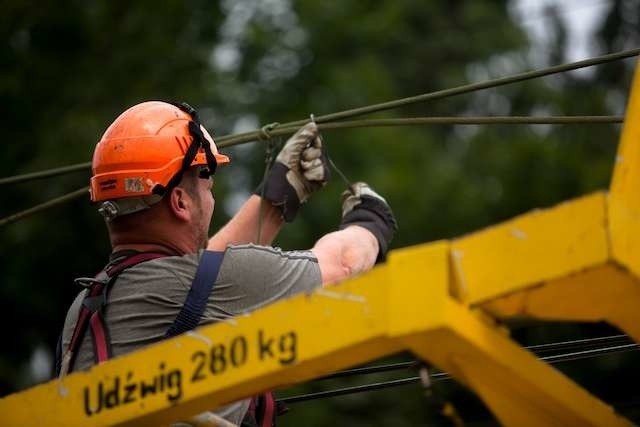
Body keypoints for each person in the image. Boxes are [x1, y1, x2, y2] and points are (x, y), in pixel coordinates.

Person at [57, 101, 397, 425]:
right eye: (206, 180)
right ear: (179, 201)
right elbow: (344, 265)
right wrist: (370, 221)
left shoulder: (85, 308)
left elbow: (204, 281)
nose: (212, 193)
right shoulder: (209, 284)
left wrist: (277, 197)